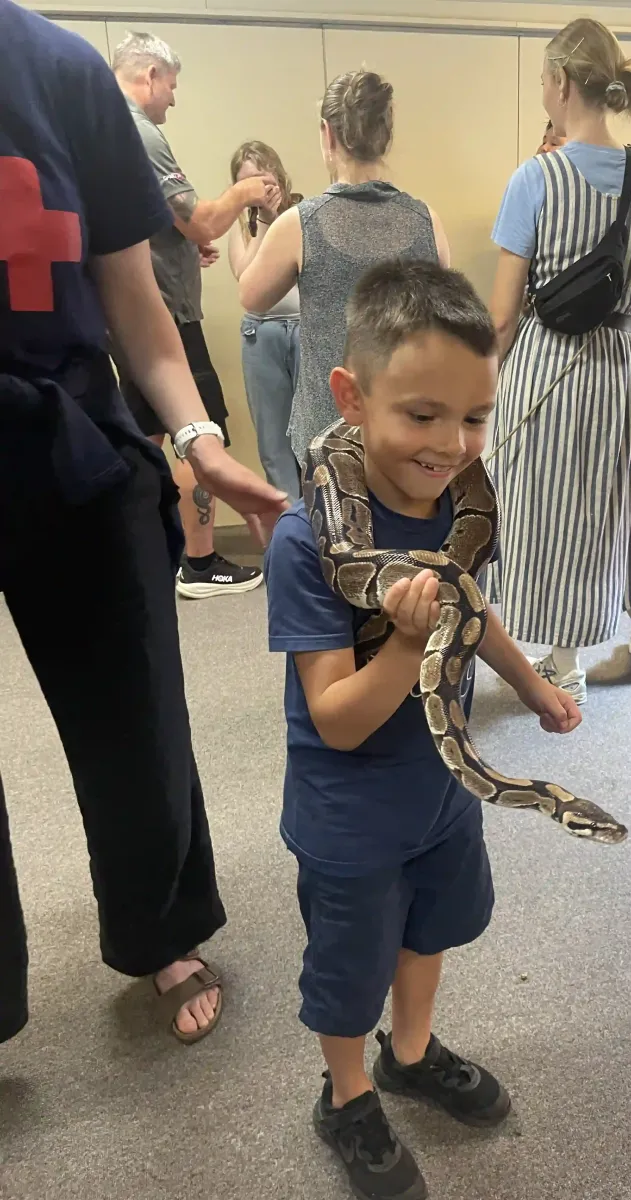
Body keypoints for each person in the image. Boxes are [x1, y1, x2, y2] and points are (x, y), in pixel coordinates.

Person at [0, 1, 288, 1045]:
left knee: (137, 715)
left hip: (70, 433)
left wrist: (198, 436)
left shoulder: (60, 71)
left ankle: (161, 924)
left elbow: (134, 302)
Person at [264, 260, 582, 1200]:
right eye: (422, 414)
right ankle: (347, 1093)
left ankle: (407, 1054)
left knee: (429, 929)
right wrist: (408, 642)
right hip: (350, 815)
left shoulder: (458, 505)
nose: (451, 443)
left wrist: (530, 684)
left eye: (474, 417)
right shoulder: (305, 544)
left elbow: (471, 608)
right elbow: (336, 720)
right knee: (348, 970)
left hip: (443, 790)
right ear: (351, 399)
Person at [488, 18, 631, 705]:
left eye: (543, 79)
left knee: (546, 507)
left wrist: (479, 389)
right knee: (615, 506)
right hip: (617, 365)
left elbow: (502, 316)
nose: (543, 90)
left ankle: (564, 664)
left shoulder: (535, 178)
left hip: (546, 363)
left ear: (562, 82)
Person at [114, 31, 280, 599]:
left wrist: (185, 247)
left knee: (146, 436)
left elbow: (166, 223)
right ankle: (202, 561)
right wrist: (246, 191)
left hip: (140, 308)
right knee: (199, 430)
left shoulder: (110, 130)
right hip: (164, 314)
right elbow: (202, 218)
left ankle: (140, 555)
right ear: (151, 76)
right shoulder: (140, 131)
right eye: (172, 86)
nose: (173, 98)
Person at [239, 68, 450, 464]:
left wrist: (263, 219)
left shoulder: (300, 224)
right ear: (387, 134)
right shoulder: (427, 221)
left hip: (327, 435)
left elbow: (251, 296)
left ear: (328, 134)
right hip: (406, 428)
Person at [228, 140, 303, 502]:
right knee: (274, 444)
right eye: (246, 182)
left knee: (313, 437)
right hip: (260, 335)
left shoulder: (301, 215)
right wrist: (262, 221)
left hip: (305, 331)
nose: (258, 187)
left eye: (262, 177)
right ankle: (290, 524)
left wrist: (278, 219)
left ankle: (323, 523)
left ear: (278, 175)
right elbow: (246, 278)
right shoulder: (240, 227)